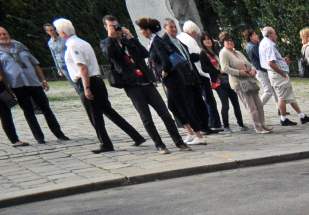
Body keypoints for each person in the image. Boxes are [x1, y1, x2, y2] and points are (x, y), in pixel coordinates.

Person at [54, 18, 145, 154]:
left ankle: (105, 142)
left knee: (94, 115)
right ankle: (135, 135)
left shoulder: (73, 46)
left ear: (62, 33)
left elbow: (83, 68)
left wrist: (86, 88)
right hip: (97, 80)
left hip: (87, 81)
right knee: (108, 111)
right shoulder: (83, 42)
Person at [100, 17, 186, 152]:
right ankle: (160, 145)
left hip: (146, 81)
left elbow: (144, 53)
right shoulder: (106, 43)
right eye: (111, 26)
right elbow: (109, 54)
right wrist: (111, 38)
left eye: (117, 26)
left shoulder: (128, 42)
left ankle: (178, 141)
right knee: (146, 118)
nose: (115, 29)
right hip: (132, 85)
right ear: (106, 27)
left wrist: (131, 37)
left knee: (165, 114)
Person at [139, 18, 204, 145]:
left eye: (141, 29)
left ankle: (199, 135)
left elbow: (166, 61)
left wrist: (164, 74)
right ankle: (190, 132)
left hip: (172, 78)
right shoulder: (155, 41)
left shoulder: (157, 41)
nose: (140, 32)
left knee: (182, 106)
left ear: (147, 30)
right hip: (171, 79)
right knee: (173, 106)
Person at [0, 27, 67, 146]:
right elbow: (1, 73)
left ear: (8, 34)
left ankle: (58, 133)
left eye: (4, 34)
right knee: (28, 111)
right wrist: (8, 87)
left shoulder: (20, 46)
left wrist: (43, 80)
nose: (3, 37)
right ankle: (39, 136)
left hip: (33, 82)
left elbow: (35, 64)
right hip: (17, 85)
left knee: (46, 108)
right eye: (0, 35)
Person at [156, 19, 211, 135]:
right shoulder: (164, 42)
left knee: (199, 102)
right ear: (165, 27)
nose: (174, 29)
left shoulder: (178, 41)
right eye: (171, 27)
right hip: (181, 78)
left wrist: (198, 55)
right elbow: (169, 61)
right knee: (188, 104)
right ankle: (196, 129)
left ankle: (205, 126)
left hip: (192, 75)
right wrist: (164, 77)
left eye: (175, 27)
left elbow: (186, 57)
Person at [259, 26, 309, 125]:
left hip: (276, 73)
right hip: (277, 75)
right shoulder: (269, 45)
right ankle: (283, 119)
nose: (276, 36)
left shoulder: (263, 42)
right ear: (270, 35)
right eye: (274, 34)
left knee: (289, 95)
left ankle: (302, 116)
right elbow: (270, 63)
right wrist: (282, 72)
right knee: (282, 97)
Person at [219, 32, 269, 133]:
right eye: (227, 40)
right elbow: (225, 68)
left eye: (231, 40)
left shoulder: (237, 52)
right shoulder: (224, 53)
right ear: (223, 42)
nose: (230, 42)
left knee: (259, 104)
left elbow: (249, 63)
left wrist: (253, 69)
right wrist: (239, 72)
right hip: (239, 82)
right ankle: (258, 127)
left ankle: (263, 124)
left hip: (249, 80)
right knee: (251, 106)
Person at [180, 21, 222, 131]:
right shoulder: (189, 40)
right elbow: (198, 60)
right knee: (209, 100)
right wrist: (207, 75)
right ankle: (214, 123)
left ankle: (207, 123)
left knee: (201, 101)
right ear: (193, 32)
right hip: (200, 75)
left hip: (190, 75)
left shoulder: (180, 38)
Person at [199, 32, 243, 131]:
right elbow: (204, 68)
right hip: (218, 82)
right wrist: (217, 71)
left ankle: (241, 123)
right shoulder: (203, 53)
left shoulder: (218, 51)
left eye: (209, 38)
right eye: (205, 39)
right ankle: (226, 125)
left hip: (228, 78)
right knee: (225, 104)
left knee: (235, 102)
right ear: (202, 42)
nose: (208, 41)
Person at [244, 29, 276, 111]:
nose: (257, 36)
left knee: (274, 89)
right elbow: (262, 57)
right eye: (255, 34)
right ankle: (258, 107)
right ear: (251, 37)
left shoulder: (252, 45)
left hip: (261, 70)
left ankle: (280, 108)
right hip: (261, 71)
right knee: (268, 91)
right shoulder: (253, 46)